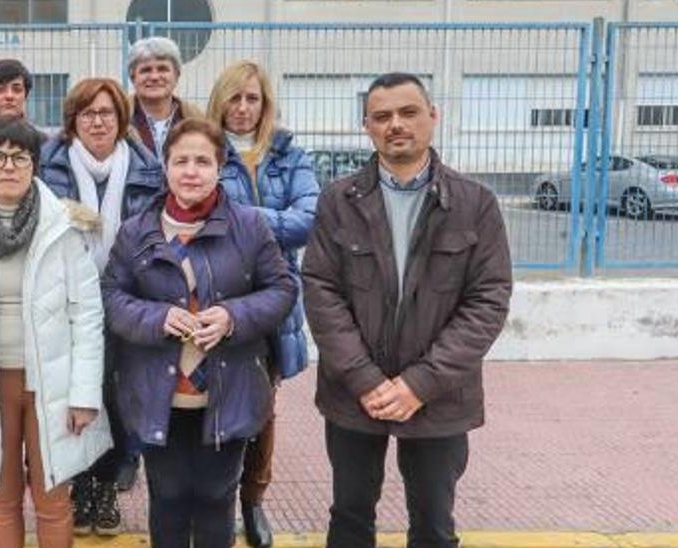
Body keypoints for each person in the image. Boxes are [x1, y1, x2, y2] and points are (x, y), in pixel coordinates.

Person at [301, 72, 513, 548]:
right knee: (351, 517)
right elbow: (320, 289)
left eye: (408, 112)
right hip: (355, 394)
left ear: (433, 117)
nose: (396, 124)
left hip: (439, 396)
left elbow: (488, 299)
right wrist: (364, 379)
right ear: (367, 126)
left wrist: (421, 383)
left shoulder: (474, 203)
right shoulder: (338, 200)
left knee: (434, 524)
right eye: (382, 116)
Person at [102, 118, 298, 548]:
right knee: (168, 497)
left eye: (203, 161)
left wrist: (233, 315)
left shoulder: (249, 225)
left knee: (215, 496)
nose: (191, 171)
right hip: (158, 391)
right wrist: (156, 318)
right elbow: (113, 296)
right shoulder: (137, 230)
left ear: (220, 166)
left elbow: (282, 289)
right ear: (166, 167)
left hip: (229, 388)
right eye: (181, 160)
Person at [0, 116, 113, 548]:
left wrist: (84, 395)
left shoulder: (65, 226)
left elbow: (87, 315)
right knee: (2, 497)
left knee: (53, 498)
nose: (9, 166)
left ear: (34, 164)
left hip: (53, 381)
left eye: (20, 156)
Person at [39, 77, 163, 537]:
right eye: (87, 113)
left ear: (121, 120)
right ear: (72, 121)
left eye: (106, 113)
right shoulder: (48, 166)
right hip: (67, 301)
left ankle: (106, 485)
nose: (97, 121)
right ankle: (78, 486)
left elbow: (155, 232)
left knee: (117, 399)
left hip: (127, 297)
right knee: (72, 397)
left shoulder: (147, 169)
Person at [206, 60, 320, 548]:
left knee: (262, 409)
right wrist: (268, 220)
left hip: (274, 299)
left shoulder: (289, 154)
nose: (243, 107)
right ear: (220, 102)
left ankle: (253, 501)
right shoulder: (205, 149)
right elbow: (199, 213)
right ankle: (218, 500)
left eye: (252, 98)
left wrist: (243, 218)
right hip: (217, 296)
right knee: (211, 404)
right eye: (234, 97)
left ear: (265, 103)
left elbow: (309, 220)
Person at [126, 36, 202, 160]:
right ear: (133, 78)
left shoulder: (197, 120)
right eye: (146, 70)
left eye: (163, 69)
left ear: (177, 76)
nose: (155, 76)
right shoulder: (119, 120)